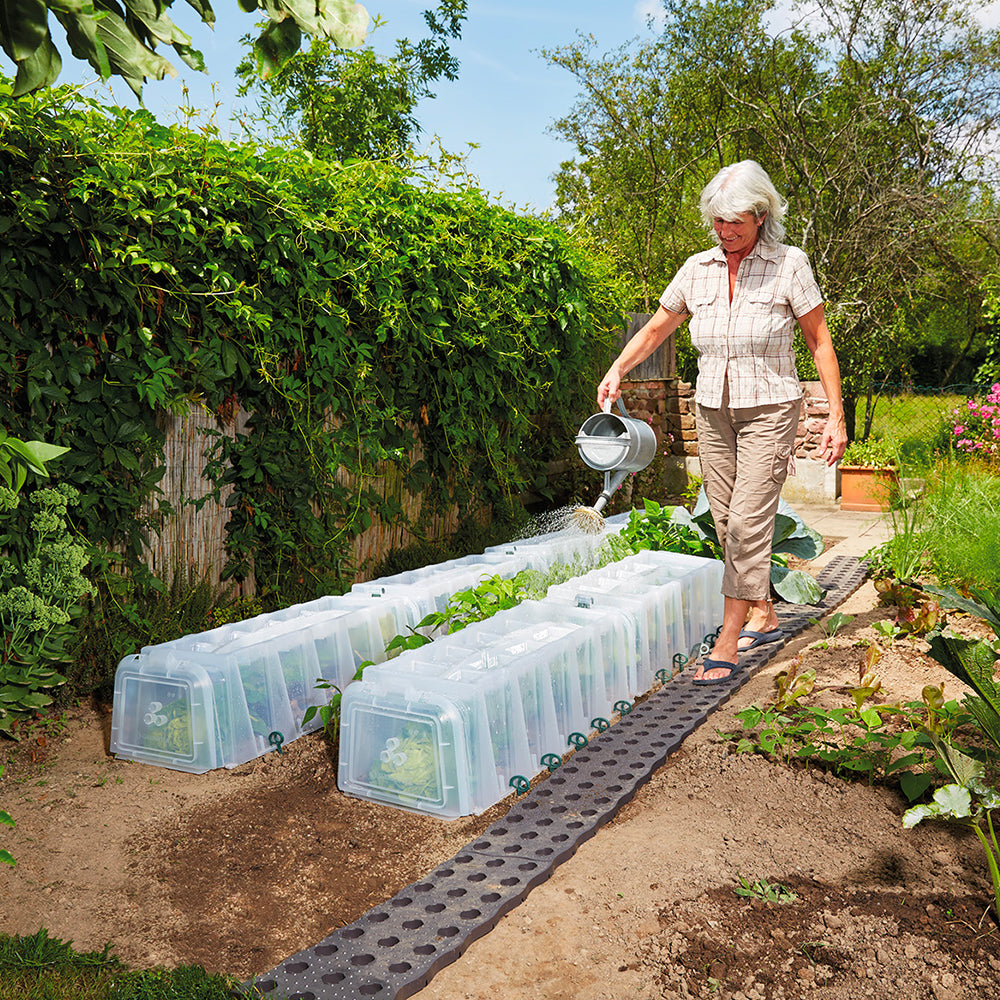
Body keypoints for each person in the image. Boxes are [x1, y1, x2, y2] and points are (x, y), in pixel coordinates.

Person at [597, 160, 848, 684]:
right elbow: (658, 327)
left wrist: (836, 416)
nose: (726, 230)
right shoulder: (697, 268)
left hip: (771, 408)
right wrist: (617, 368)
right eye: (718, 221)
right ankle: (764, 611)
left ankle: (728, 638)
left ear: (761, 215)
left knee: (747, 521)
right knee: (722, 518)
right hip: (712, 409)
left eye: (736, 220)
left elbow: (819, 341)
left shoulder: (790, 264)